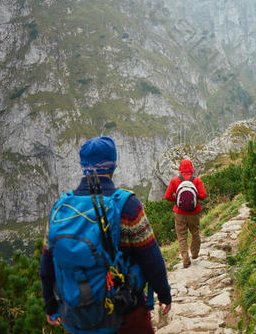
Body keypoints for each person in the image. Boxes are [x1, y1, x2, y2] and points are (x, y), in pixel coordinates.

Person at [40, 136, 172, 333]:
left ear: (83, 167)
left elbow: (47, 265)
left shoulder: (60, 209)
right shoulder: (127, 205)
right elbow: (150, 258)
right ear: (114, 165)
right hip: (124, 311)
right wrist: (163, 294)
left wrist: (51, 307)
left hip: (76, 314)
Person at [164, 159, 207, 268]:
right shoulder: (196, 180)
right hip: (194, 212)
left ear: (180, 169)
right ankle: (195, 253)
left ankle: (185, 260)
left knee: (182, 237)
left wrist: (178, 201)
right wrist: (193, 200)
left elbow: (167, 196)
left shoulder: (175, 180)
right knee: (195, 232)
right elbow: (203, 195)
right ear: (192, 168)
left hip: (179, 213)